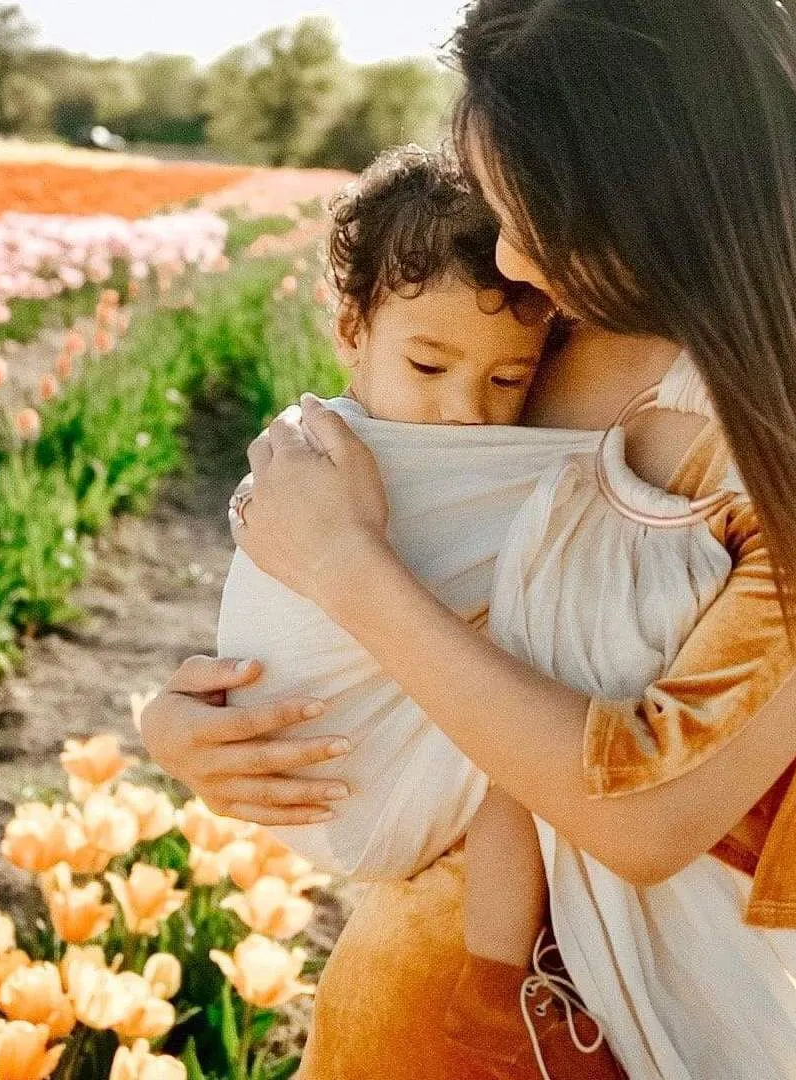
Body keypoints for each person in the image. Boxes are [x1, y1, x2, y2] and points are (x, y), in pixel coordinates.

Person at [139, 1, 796, 1077]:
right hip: (399, 998)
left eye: (536, 209)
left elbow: (651, 820)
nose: (509, 250)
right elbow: (380, 562)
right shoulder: (537, 332)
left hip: (613, 1034)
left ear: (656, 186)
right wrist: (198, 721)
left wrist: (347, 570)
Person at [217, 142, 625, 1077]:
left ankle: (494, 969)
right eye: (430, 366)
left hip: (354, 791)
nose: (464, 413)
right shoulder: (322, 451)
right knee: (517, 759)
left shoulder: (480, 446)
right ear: (351, 333)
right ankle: (500, 976)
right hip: (314, 754)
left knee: (518, 748)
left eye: (507, 381)